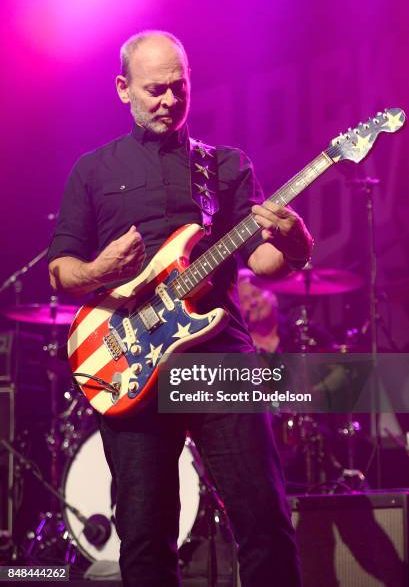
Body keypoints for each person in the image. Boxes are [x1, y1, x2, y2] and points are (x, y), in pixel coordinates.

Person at [48, 30, 313, 587]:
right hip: (131, 360)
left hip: (217, 355)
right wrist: (102, 272)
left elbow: (263, 261)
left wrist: (297, 243)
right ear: (123, 90)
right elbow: (61, 270)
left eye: (179, 87)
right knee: (145, 541)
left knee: (264, 522)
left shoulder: (224, 166)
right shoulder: (93, 171)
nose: (169, 100)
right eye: (154, 90)